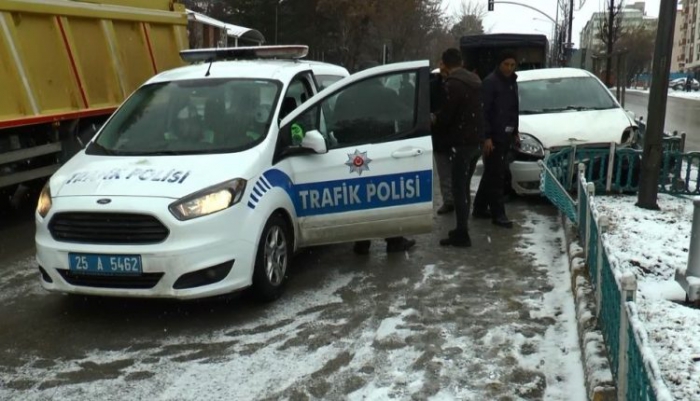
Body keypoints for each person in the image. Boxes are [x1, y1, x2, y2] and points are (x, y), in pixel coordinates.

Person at [335, 60, 416, 255]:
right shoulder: (387, 94)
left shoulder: (344, 96)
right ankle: (394, 240)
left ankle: (361, 241)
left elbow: (336, 128)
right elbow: (408, 116)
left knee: (358, 196)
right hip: (382, 152)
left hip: (354, 156)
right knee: (385, 196)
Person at [432, 48, 483, 247]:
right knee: (464, 187)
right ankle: (462, 228)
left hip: (461, 143)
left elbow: (447, 116)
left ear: (444, 63)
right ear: (460, 62)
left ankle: (462, 233)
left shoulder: (453, 84)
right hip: (474, 142)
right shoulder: (475, 81)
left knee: (459, 189)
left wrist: (435, 119)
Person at [473, 50, 520, 229]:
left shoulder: (512, 82)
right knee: (496, 176)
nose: (509, 68)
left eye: (512, 65)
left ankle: (479, 207)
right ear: (499, 64)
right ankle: (498, 214)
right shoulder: (491, 83)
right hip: (494, 137)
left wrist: (515, 130)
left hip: (506, 135)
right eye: (506, 64)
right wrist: (487, 137)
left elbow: (513, 108)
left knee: (492, 173)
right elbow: (484, 112)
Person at [430, 64, 454, 214]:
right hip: (440, 135)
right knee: (444, 171)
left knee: (457, 173)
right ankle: (449, 200)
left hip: (456, 136)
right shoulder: (433, 86)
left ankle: (456, 199)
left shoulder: (458, 85)